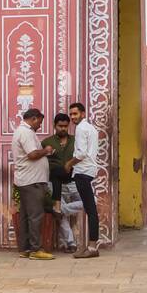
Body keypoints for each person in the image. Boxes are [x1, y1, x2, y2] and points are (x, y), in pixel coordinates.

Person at [12, 108, 55, 261]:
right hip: (32, 181)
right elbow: (32, 155)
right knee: (36, 215)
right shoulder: (26, 132)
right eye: (40, 122)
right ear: (34, 118)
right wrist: (47, 150)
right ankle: (36, 249)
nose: (40, 126)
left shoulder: (22, 131)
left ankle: (25, 248)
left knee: (25, 215)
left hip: (26, 180)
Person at [66, 103, 101, 259]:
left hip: (82, 171)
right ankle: (86, 246)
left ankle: (92, 247)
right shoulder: (90, 128)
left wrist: (68, 163)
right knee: (89, 209)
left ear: (83, 113)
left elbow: (80, 154)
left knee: (90, 209)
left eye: (75, 114)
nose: (73, 117)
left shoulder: (81, 129)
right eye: (71, 114)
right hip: (89, 170)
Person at [41, 113, 74, 208]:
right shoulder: (46, 142)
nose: (63, 129)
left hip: (72, 181)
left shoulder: (75, 140)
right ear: (54, 125)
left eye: (66, 126)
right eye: (60, 126)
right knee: (62, 220)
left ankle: (59, 209)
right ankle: (58, 208)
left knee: (90, 202)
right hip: (54, 183)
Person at [53, 180, 85, 254]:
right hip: (56, 183)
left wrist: (60, 209)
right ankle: (70, 243)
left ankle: (61, 210)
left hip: (74, 183)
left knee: (93, 201)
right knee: (59, 209)